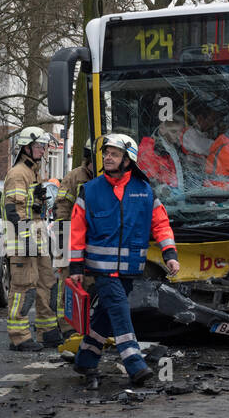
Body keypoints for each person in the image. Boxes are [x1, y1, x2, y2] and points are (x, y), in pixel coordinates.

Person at [67, 133, 180, 385]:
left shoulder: (144, 191)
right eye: (106, 152)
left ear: (128, 159)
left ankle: (85, 360)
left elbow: (161, 224)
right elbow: (77, 230)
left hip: (130, 270)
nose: (107, 157)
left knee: (105, 317)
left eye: (114, 154)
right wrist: (75, 266)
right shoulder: (91, 190)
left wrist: (169, 254)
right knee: (119, 310)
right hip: (101, 271)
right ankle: (135, 364)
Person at [5, 126, 59, 350]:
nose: (43, 150)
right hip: (23, 240)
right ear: (26, 147)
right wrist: (27, 242)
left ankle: (47, 331)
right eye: (40, 146)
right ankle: (19, 337)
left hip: (37, 236)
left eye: (44, 146)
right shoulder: (18, 173)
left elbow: (31, 207)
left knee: (46, 283)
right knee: (23, 288)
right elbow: (13, 210)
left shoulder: (34, 172)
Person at [54, 135, 98, 327]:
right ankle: (67, 327)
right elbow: (62, 207)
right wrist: (63, 238)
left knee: (92, 283)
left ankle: (90, 324)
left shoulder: (104, 178)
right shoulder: (73, 177)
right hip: (71, 237)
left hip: (94, 240)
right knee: (69, 284)